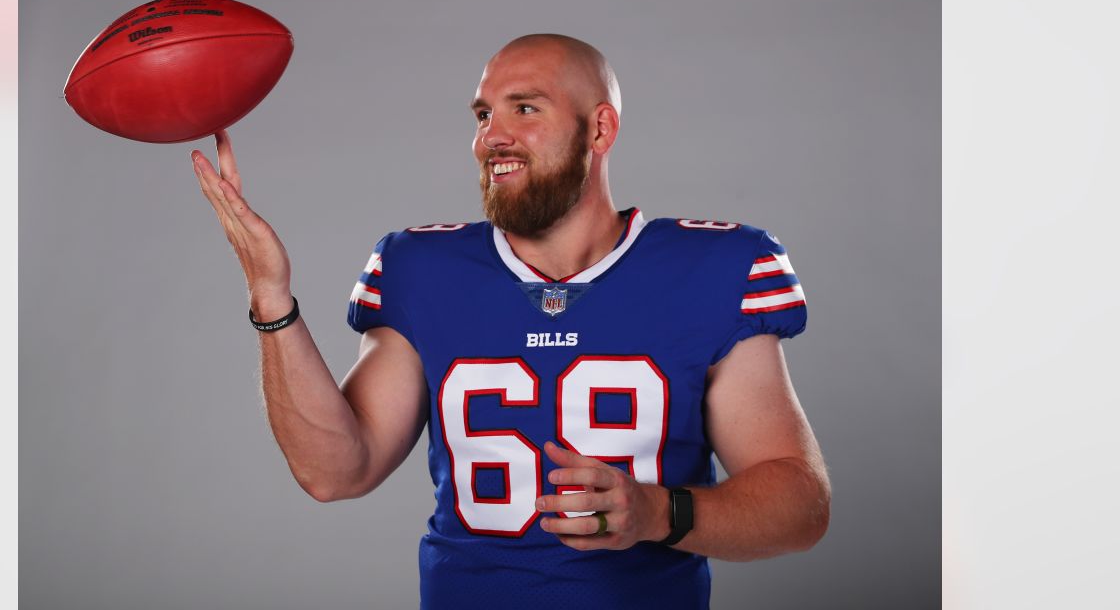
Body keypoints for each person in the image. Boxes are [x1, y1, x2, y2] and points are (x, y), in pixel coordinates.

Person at [191, 34, 830, 609]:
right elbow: (335, 472)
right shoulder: (421, 267)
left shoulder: (713, 266)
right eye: (483, 114)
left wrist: (657, 512)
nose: (491, 136)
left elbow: (799, 507)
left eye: (525, 109)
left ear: (600, 128)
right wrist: (270, 295)